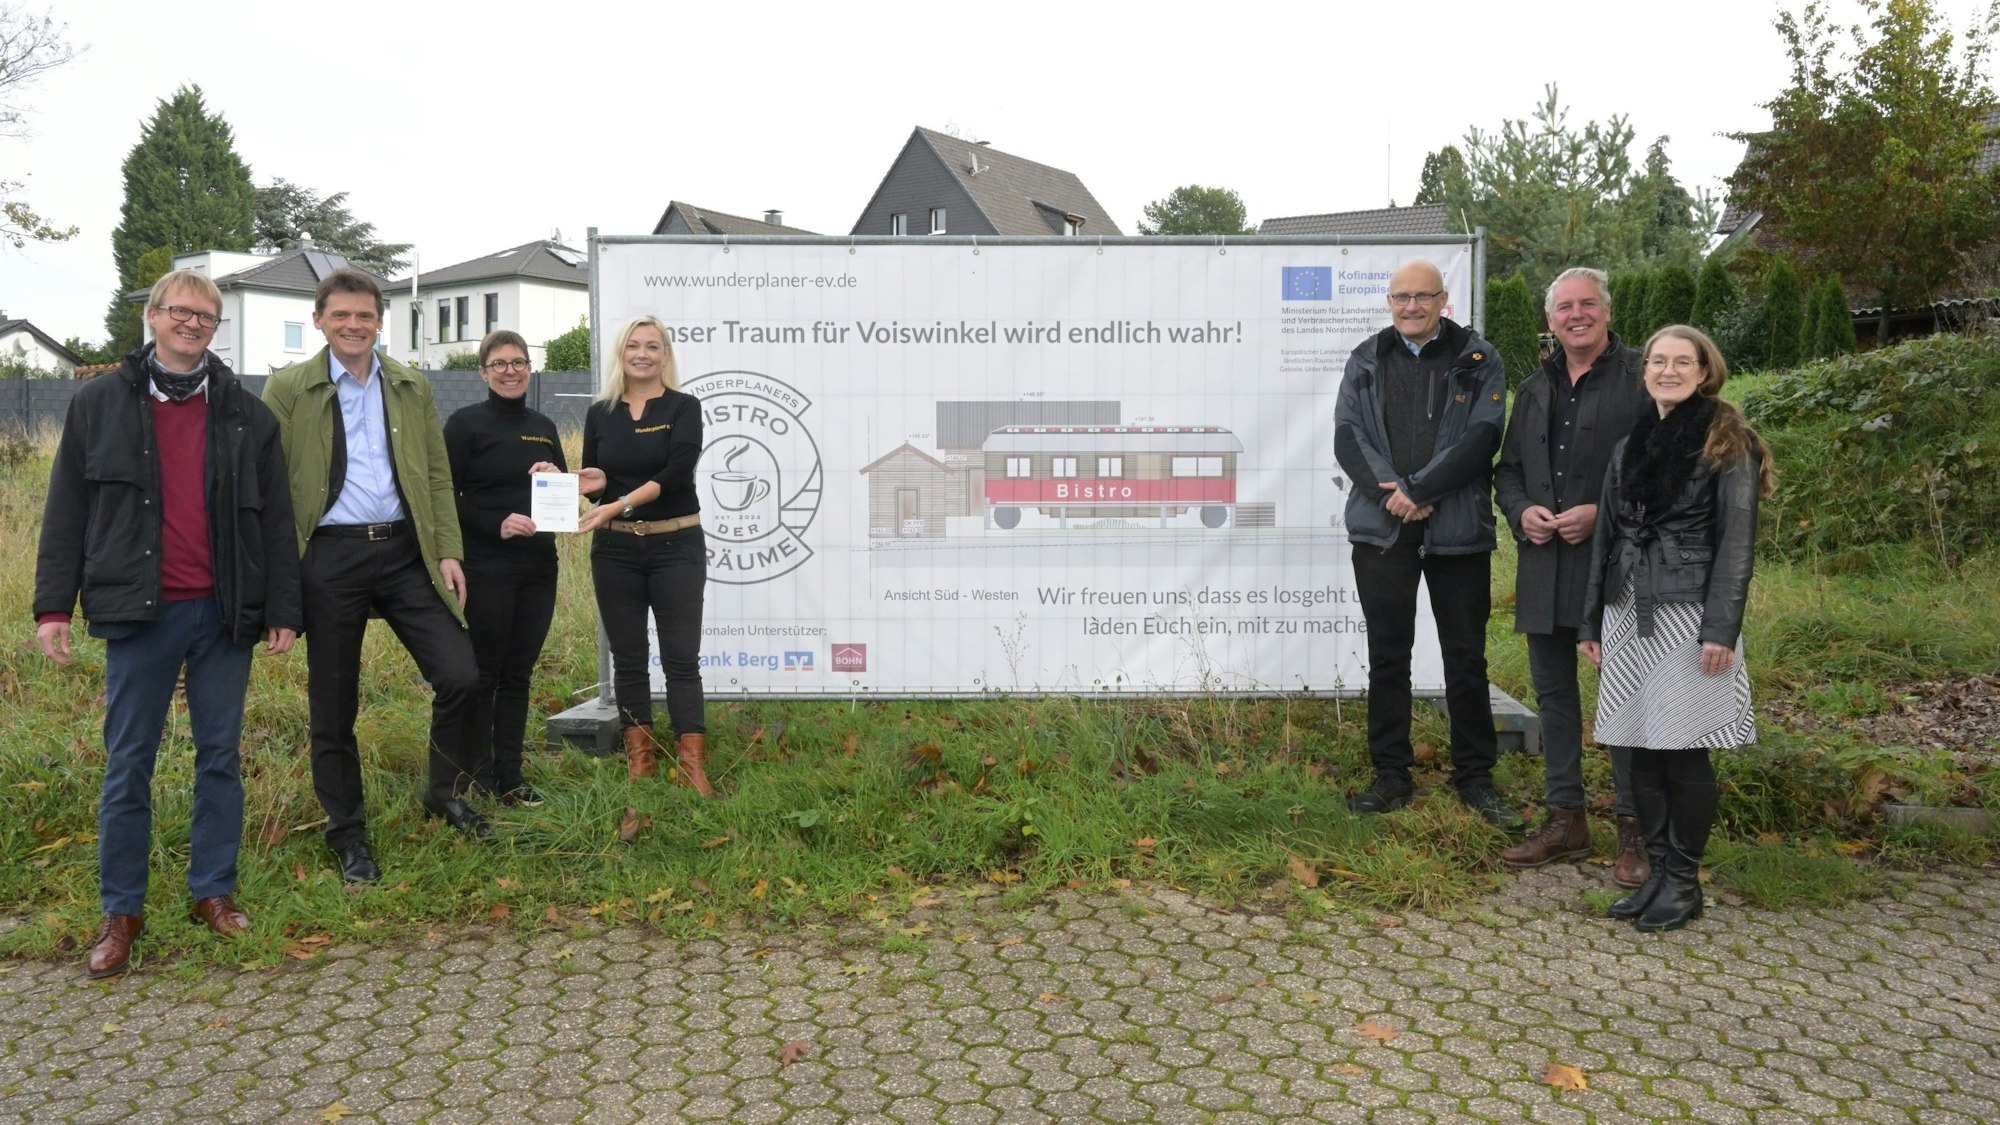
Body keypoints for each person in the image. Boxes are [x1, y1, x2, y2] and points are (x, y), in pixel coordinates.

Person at [34, 270, 302, 977]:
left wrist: (283, 608)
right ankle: (121, 911)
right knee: (129, 764)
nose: (192, 324)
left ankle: (211, 892)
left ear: (216, 328)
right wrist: (53, 606)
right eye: (179, 312)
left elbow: (276, 520)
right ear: (152, 317)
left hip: (223, 612)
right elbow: (67, 510)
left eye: (205, 317)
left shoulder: (248, 412)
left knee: (220, 757)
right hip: (137, 612)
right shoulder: (98, 404)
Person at [264, 269, 487, 884]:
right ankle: (348, 834)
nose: (354, 325)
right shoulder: (288, 388)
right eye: (341, 315)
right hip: (330, 558)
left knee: (461, 675)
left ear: (379, 321)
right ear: (319, 320)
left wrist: (446, 549)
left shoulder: (410, 385)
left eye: (364, 315)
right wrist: (284, 582)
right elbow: (271, 489)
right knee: (334, 708)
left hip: (403, 552)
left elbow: (436, 477)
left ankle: (442, 792)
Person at [1580, 325, 1774, 933]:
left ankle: (1685, 883)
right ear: (1645, 372)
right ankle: (1659, 874)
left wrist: (1720, 629)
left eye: (1681, 362)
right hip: (1628, 612)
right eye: (1657, 361)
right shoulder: (1632, 442)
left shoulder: (1728, 440)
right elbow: (1606, 540)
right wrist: (1592, 621)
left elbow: (1736, 543)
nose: (1668, 371)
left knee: (1684, 753)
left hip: (1691, 618)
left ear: (1703, 370)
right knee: (1638, 748)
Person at [1334, 259, 1520, 829]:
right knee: (1389, 657)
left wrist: (1420, 488)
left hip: (1457, 531)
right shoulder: (1366, 358)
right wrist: (1396, 494)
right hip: (1382, 528)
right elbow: (1348, 437)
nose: (1410, 307)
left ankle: (1476, 779)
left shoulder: (1479, 359)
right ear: (1388, 302)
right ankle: (1391, 775)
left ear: (1444, 301)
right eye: (1400, 298)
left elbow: (1482, 439)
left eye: (1422, 297)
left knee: (1465, 657)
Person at [1494, 268, 1653, 879]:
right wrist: (1521, 511)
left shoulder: (1644, 379)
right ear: (1551, 318)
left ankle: (1634, 832)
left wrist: (1604, 514)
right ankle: (1566, 823)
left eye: (1588, 304)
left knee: (1624, 698)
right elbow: (1507, 471)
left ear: (1607, 312)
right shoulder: (1533, 389)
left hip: (1618, 569)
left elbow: (1665, 469)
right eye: (1565, 307)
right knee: (1555, 700)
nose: (1576, 314)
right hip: (1545, 567)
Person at [578, 315, 716, 840]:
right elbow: (597, 482)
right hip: (614, 549)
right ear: (622, 354)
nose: (641, 354)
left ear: (665, 355)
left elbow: (677, 475)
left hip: (676, 544)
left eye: (651, 346)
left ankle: (692, 765)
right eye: (633, 346)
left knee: (682, 657)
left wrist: (619, 498)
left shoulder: (683, 407)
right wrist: (575, 481)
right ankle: (641, 763)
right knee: (629, 658)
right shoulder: (600, 414)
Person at [444, 330, 567, 806]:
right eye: (499, 364)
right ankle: (475, 772)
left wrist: (560, 479)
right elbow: (447, 497)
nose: (510, 370)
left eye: (518, 362)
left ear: (529, 368)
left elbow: (562, 492)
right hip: (488, 566)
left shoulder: (544, 425)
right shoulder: (464, 425)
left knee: (520, 675)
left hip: (539, 566)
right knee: (486, 675)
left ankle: (510, 777)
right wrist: (494, 524)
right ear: (483, 372)